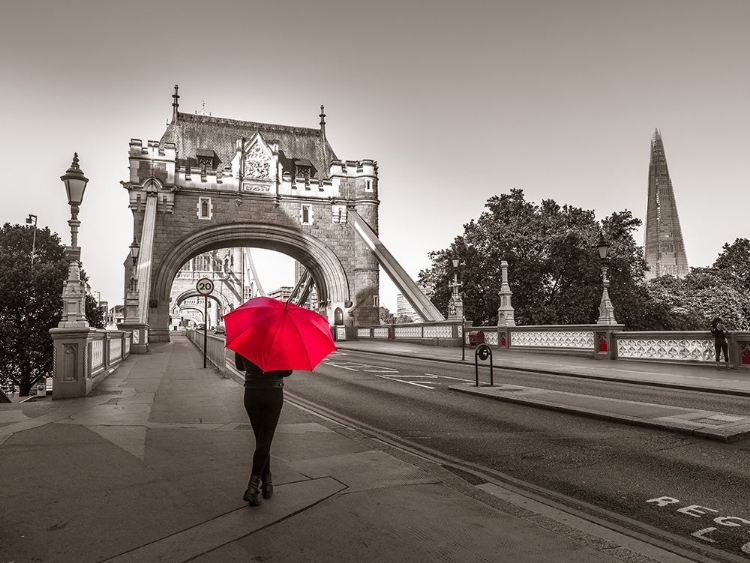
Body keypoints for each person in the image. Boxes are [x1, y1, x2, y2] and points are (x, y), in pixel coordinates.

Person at [235, 352, 292, 506]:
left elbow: (240, 366)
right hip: (272, 394)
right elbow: (287, 372)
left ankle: (267, 484)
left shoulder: (245, 339)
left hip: (251, 394)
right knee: (264, 441)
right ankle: (252, 488)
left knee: (261, 440)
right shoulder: (279, 343)